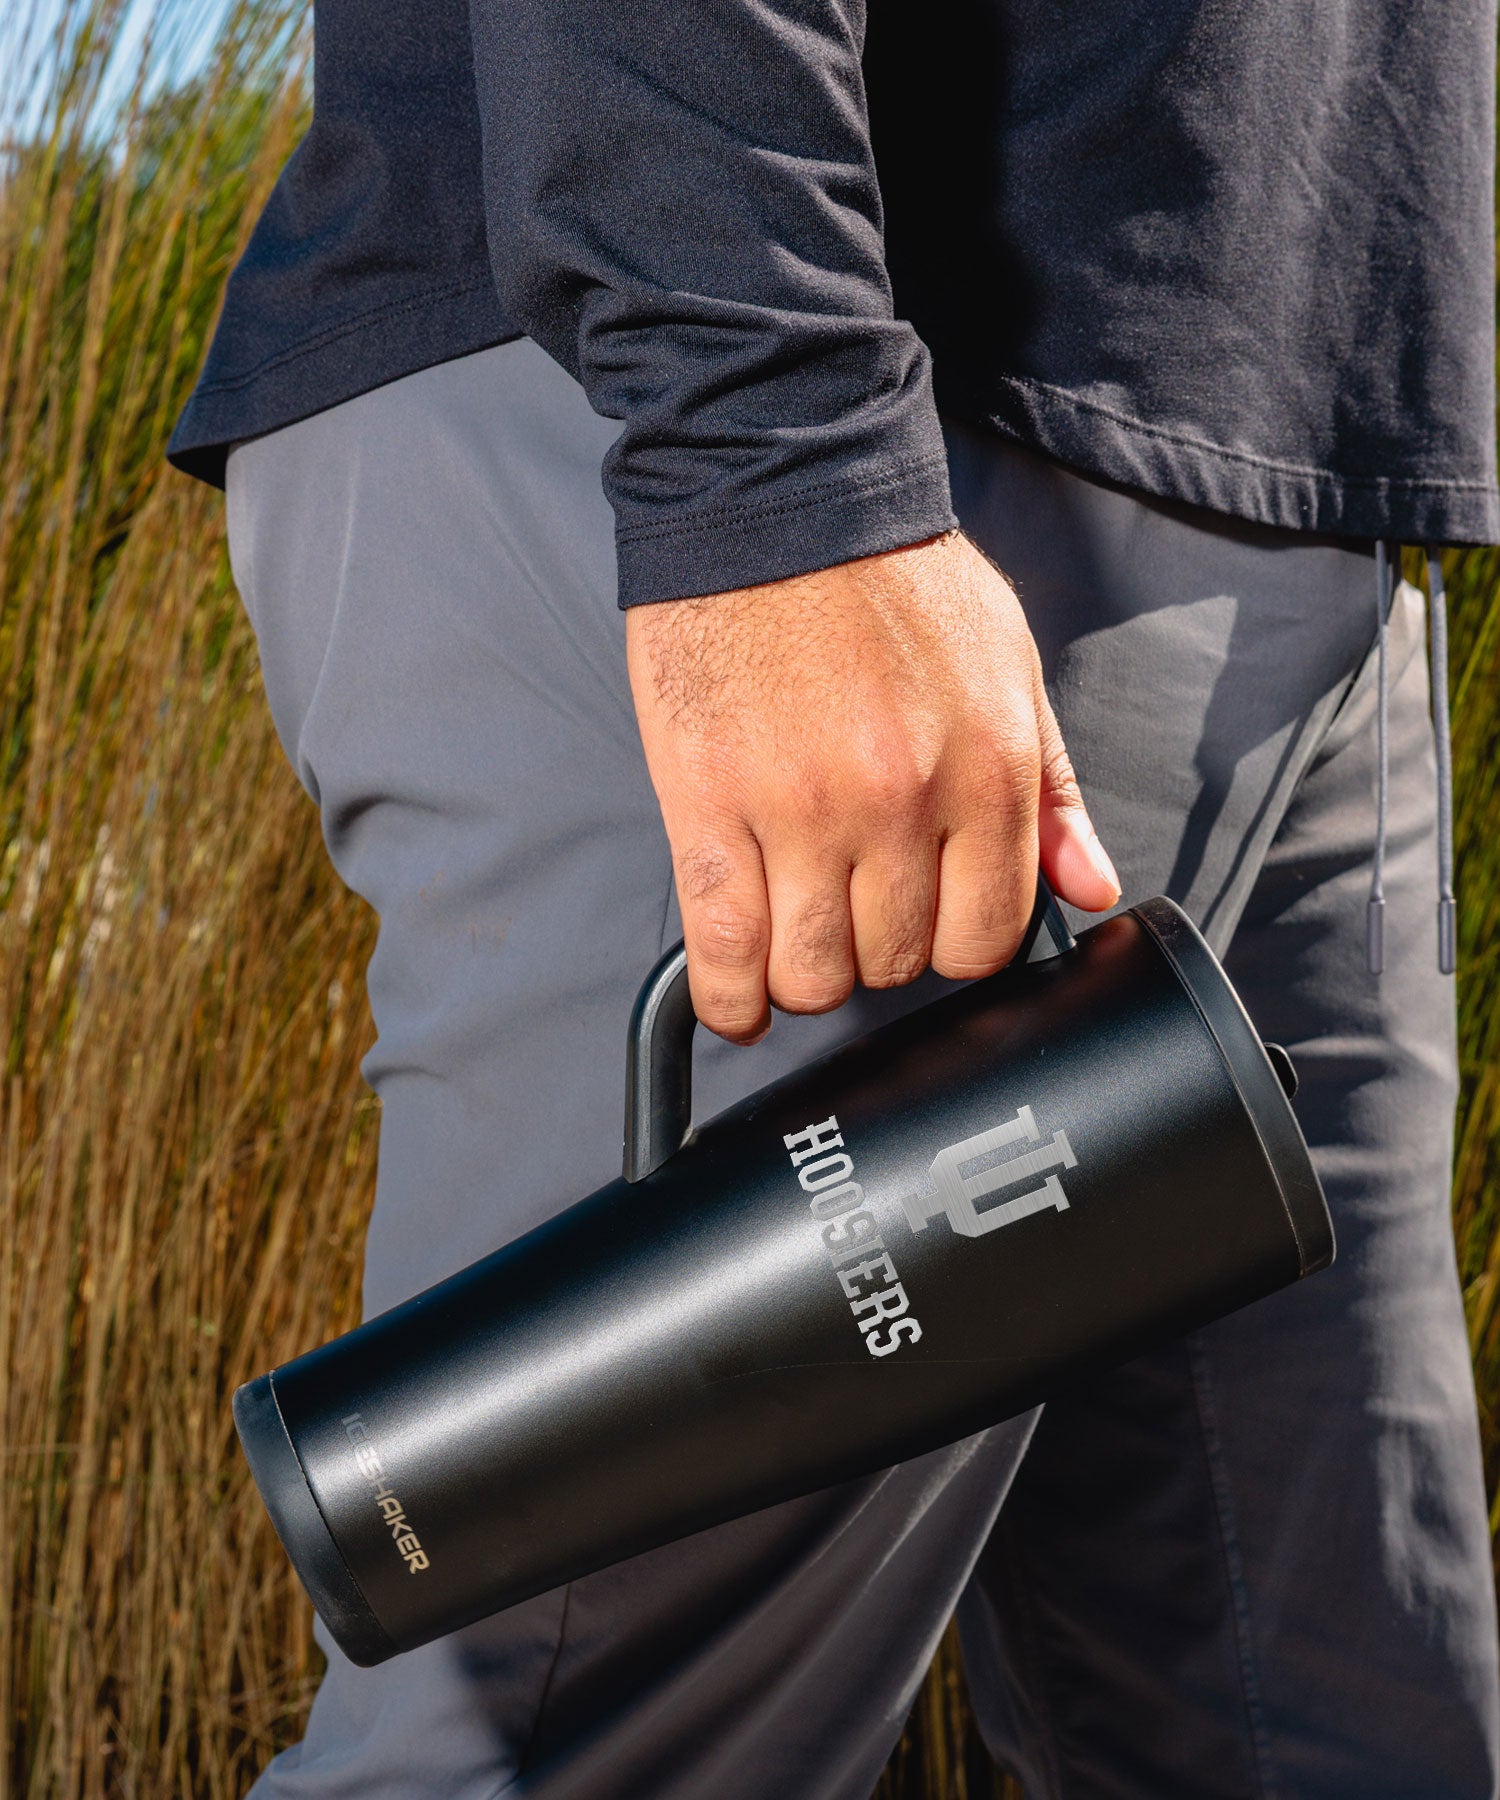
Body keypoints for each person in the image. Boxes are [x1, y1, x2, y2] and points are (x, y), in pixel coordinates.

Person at [170, 1, 1500, 1794]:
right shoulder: (771, 433)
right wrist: (766, 443)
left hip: (1281, 449)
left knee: (1322, 1731)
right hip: (800, 427)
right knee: (572, 1747)